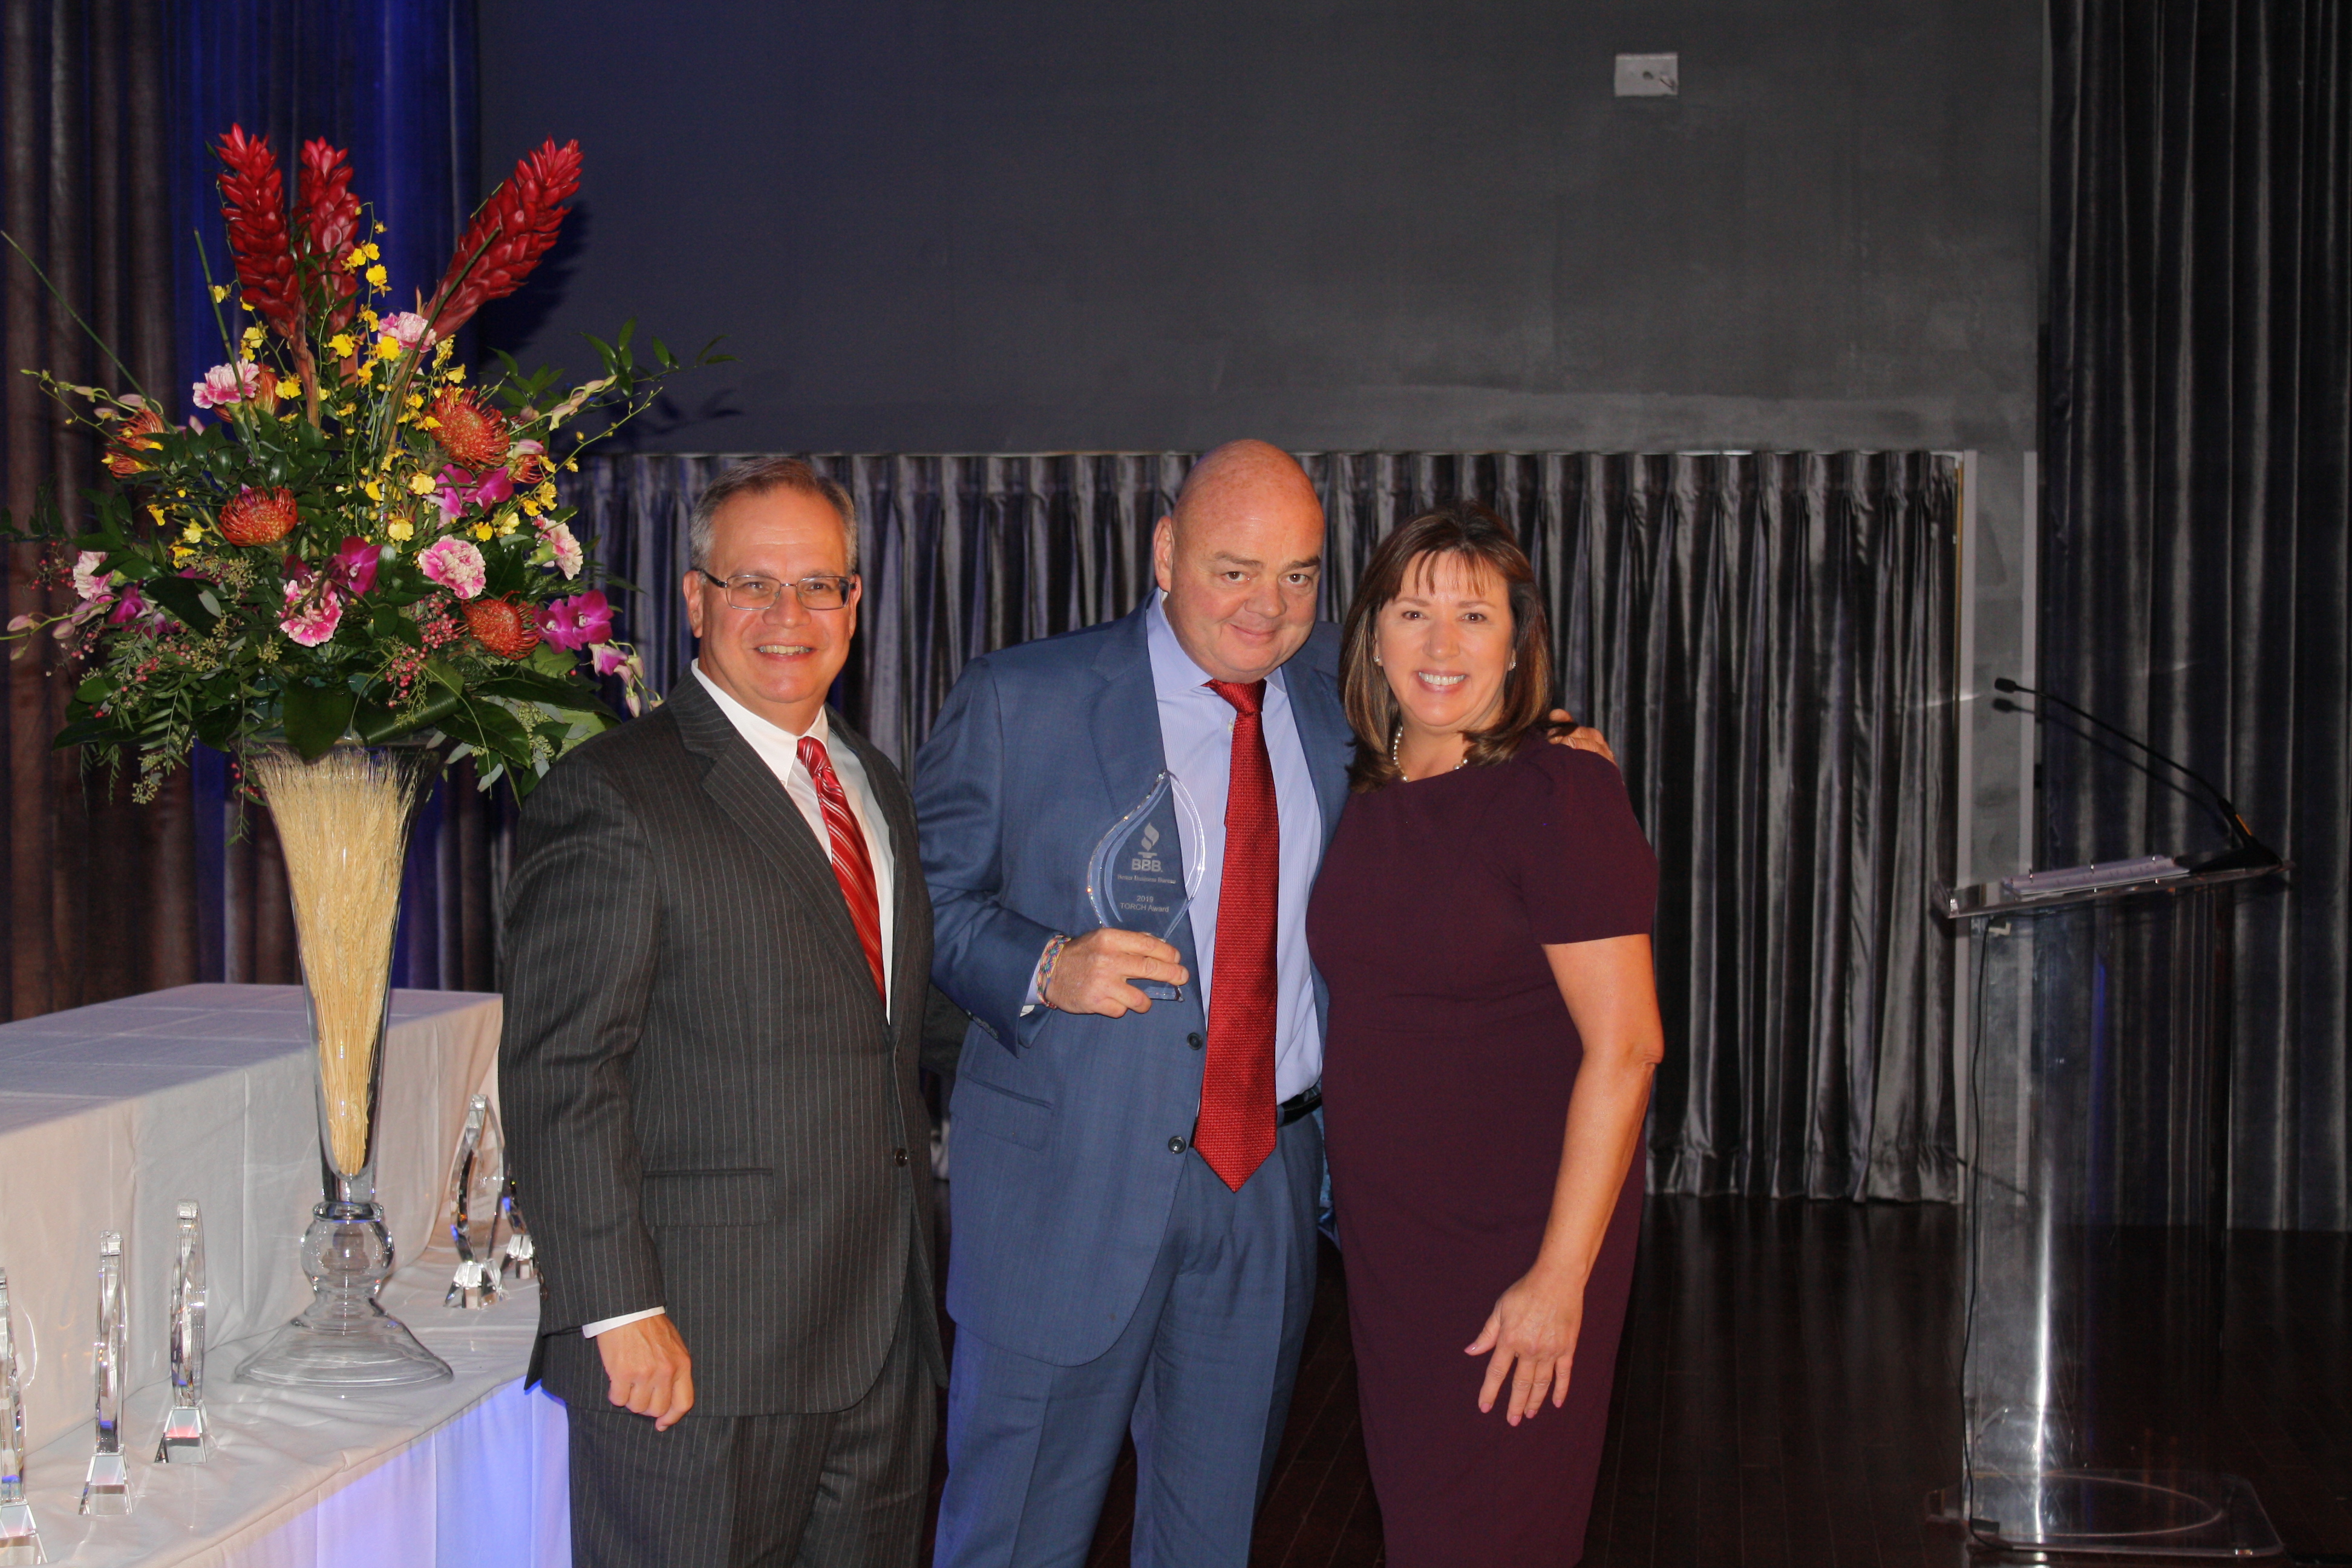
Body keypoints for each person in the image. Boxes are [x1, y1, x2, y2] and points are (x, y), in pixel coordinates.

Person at [914, 441, 1609, 1565]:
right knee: (1014, 1538)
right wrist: (1043, 967)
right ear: (1164, 552)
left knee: (1212, 1535)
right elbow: (922, 907)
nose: (1267, 607)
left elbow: (1467, 734)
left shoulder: (1346, 707)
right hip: (1068, 1191)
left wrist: (1551, 746)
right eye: (1234, 570)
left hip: (1267, 1186)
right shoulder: (1021, 698)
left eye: (1298, 576)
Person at [500, 457, 945, 1567]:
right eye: (754, 584)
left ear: (855, 603)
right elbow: (563, 1071)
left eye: (819, 585)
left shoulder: (874, 784)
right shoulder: (614, 792)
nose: (789, 615)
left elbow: (883, 1027)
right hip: (696, 1355)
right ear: (697, 601)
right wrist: (617, 1310)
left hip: (882, 1341)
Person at [1305, 501, 1663, 1567]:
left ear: (1517, 643)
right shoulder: (1361, 784)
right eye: (1413, 612)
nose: (1443, 643)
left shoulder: (1558, 788)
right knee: (1425, 1525)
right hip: (1391, 1248)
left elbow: (1629, 1048)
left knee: (1496, 1531)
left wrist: (1561, 1279)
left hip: (1519, 1240)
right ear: (1371, 635)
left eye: (1475, 615)